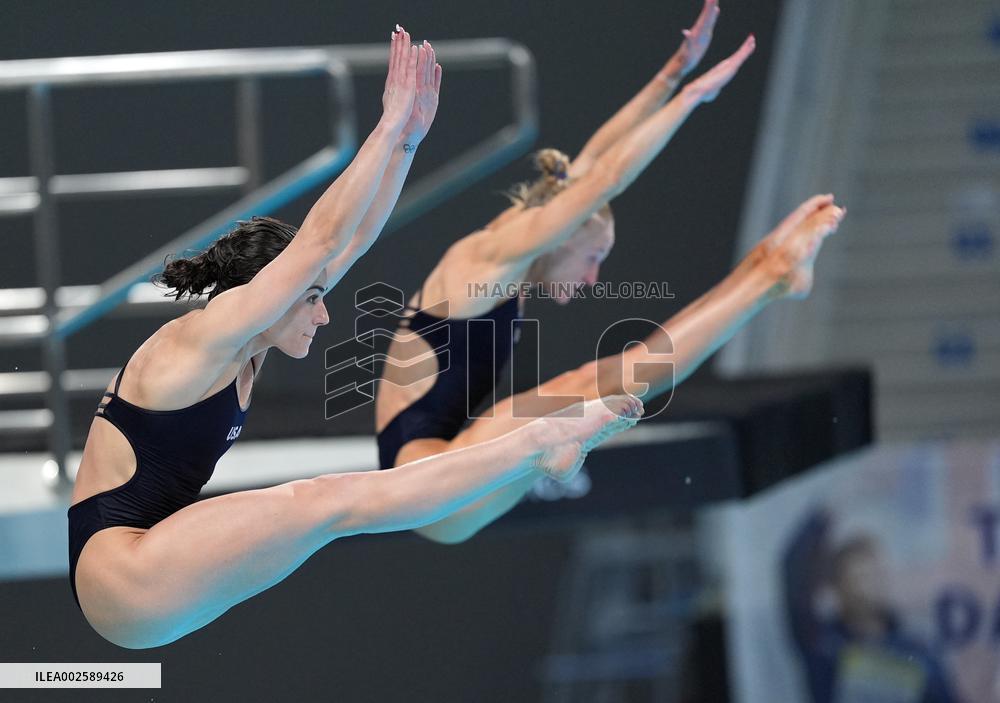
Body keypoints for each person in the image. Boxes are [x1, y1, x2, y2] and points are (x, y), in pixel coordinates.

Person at [67, 28, 644, 650]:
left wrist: (407, 145)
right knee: (330, 501)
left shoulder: (252, 339)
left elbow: (349, 241)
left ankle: (537, 446)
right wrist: (385, 124)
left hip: (154, 572)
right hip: (122, 575)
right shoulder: (204, 337)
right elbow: (317, 241)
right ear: (262, 291)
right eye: (311, 299)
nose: (323, 315)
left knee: (328, 512)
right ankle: (539, 443)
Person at [782, 509, 961, 702]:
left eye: (875, 574)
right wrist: (828, 509)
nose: (869, 586)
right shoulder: (822, 644)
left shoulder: (918, 651)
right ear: (837, 588)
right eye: (859, 578)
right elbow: (793, 572)